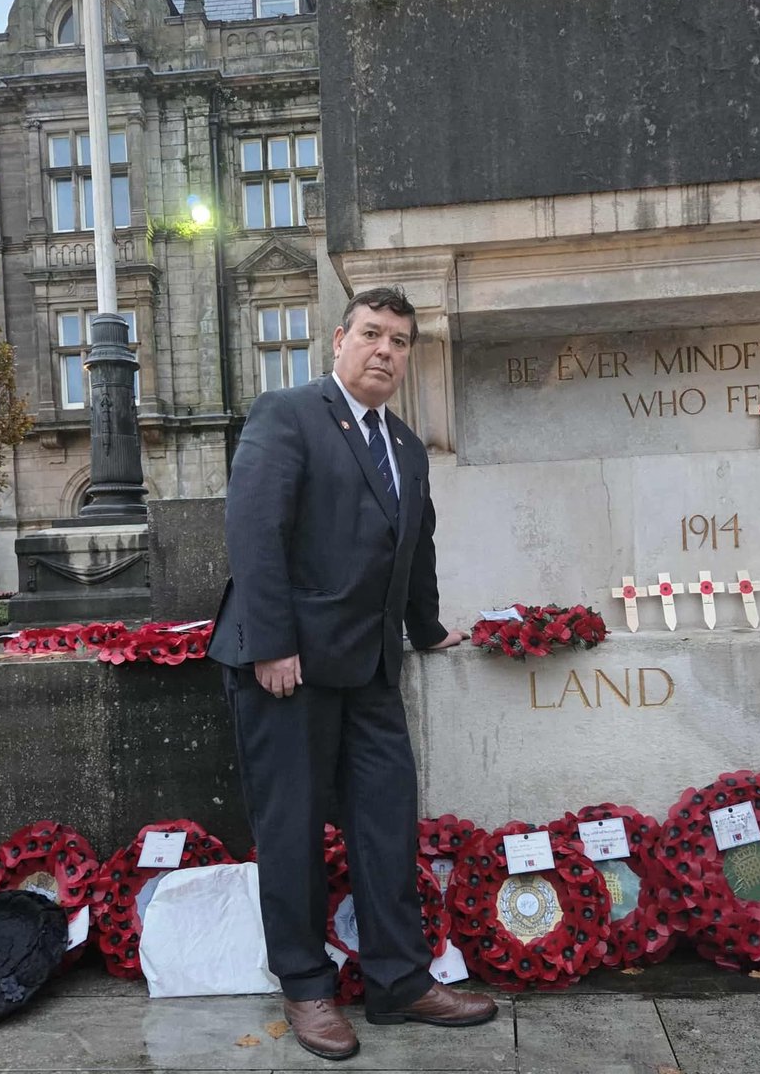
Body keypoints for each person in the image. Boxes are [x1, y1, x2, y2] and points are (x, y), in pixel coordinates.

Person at [207, 286, 497, 1060]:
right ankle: (306, 987)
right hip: (287, 666)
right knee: (293, 830)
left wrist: (428, 630)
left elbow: (416, 546)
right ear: (338, 341)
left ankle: (400, 981)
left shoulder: (403, 444)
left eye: (400, 342)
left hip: (370, 666)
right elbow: (254, 528)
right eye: (372, 334)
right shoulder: (288, 413)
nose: (386, 352)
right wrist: (271, 643)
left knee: (385, 823)